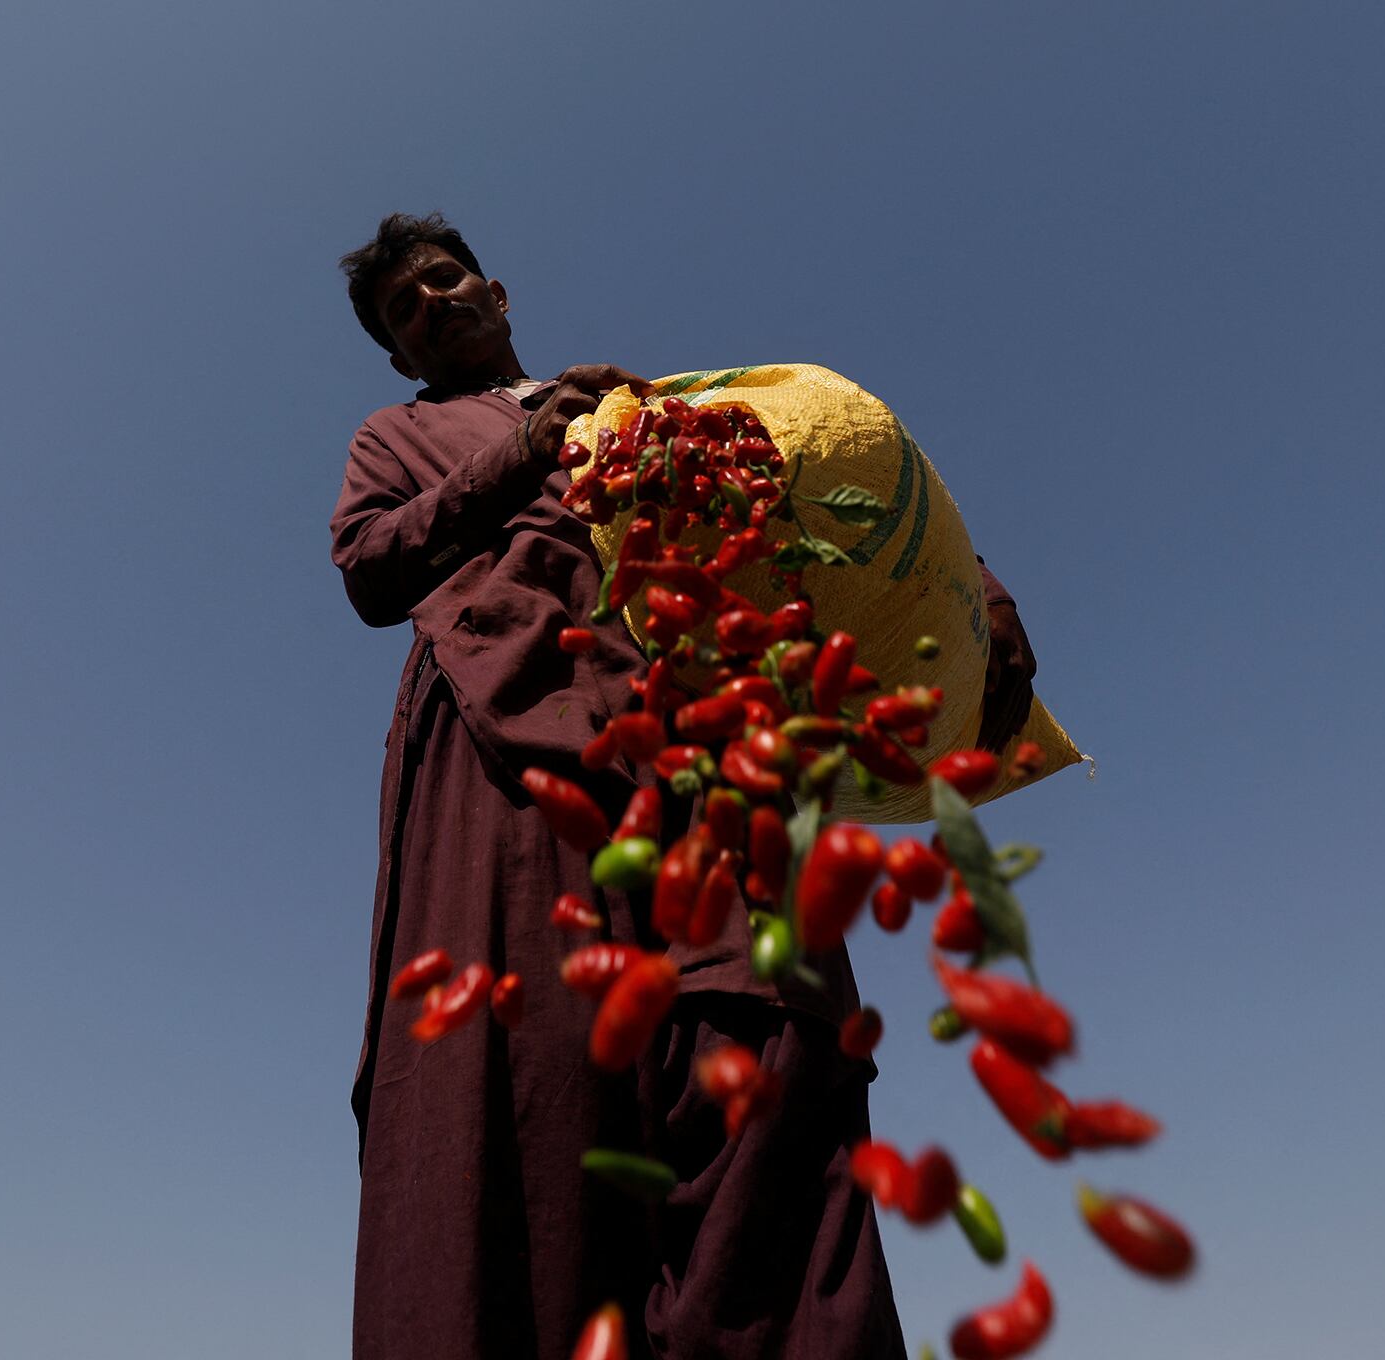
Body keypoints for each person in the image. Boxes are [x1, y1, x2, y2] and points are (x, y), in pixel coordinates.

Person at [329, 212, 1036, 1358]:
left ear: (499, 292)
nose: (433, 308)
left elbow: (799, 491)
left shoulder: (641, 407)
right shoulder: (398, 437)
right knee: (526, 1085)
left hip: (705, 745)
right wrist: (521, 453)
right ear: (401, 359)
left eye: (445, 282)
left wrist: (974, 600)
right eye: (404, 312)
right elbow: (368, 565)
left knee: (774, 1057)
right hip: (514, 752)